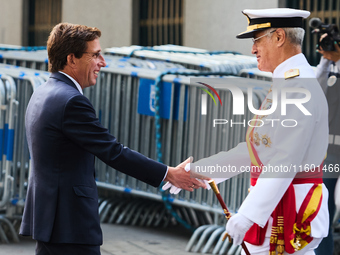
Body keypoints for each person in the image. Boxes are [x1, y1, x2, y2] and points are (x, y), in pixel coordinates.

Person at [19, 23, 206, 255]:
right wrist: (169, 174)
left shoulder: (44, 91)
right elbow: (113, 151)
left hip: (51, 219)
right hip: (69, 224)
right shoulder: (71, 101)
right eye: (95, 54)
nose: (103, 62)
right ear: (71, 59)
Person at [165, 8, 329, 255]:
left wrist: (248, 216)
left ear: (279, 37)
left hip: (286, 216)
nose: (253, 49)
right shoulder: (289, 82)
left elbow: (284, 161)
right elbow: (258, 149)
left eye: (257, 40)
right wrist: (200, 170)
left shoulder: (296, 86)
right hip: (280, 213)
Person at [314, 35, 340, 255]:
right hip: (331, 153)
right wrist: (325, 59)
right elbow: (316, 89)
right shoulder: (331, 69)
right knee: (323, 209)